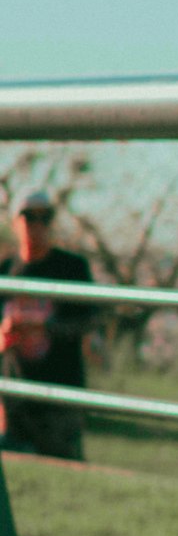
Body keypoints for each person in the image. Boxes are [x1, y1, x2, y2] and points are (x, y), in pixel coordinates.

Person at [0, 191, 96, 461]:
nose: (37, 225)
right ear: (15, 221)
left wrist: (45, 328)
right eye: (29, 216)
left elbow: (88, 321)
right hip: (14, 398)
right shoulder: (5, 270)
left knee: (64, 470)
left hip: (59, 397)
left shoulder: (72, 269)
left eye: (46, 217)